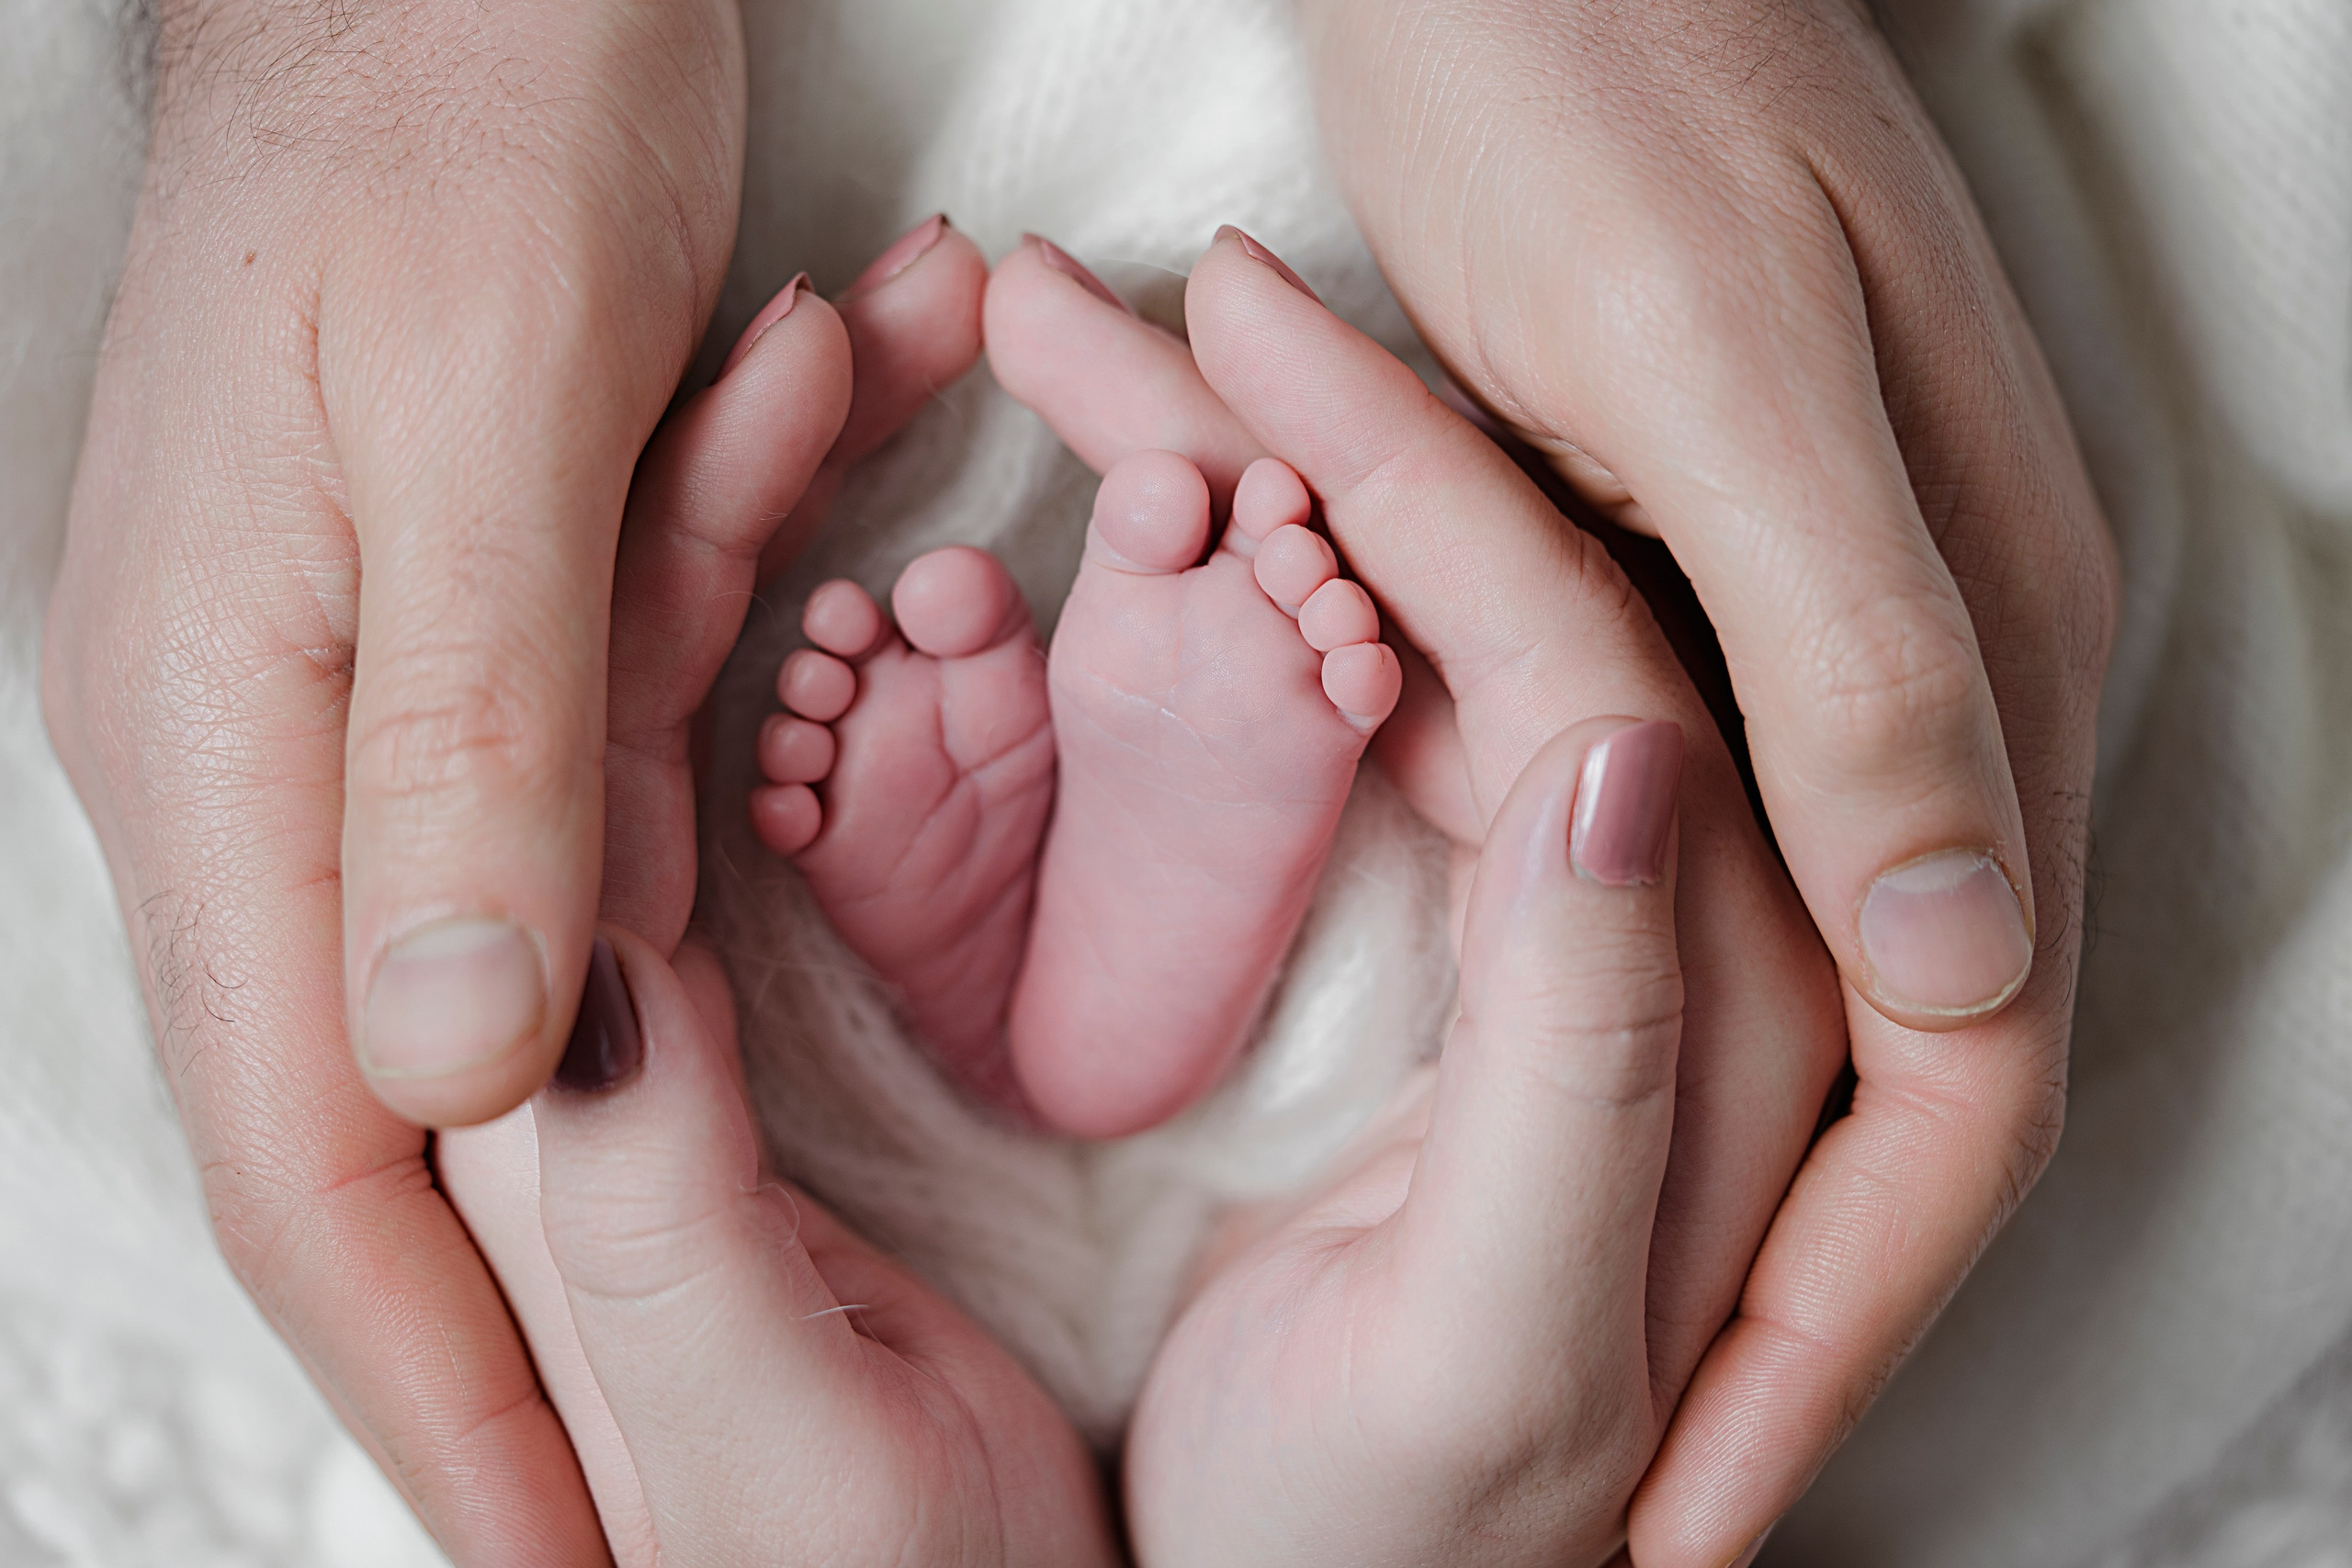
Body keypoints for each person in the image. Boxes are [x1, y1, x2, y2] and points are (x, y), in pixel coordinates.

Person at [40, 0, 2115, 1561]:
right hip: (1448, 1153)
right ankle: (1132, 1002)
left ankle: (1068, 1009)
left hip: (740, 1171)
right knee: (1678, 594)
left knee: (394, 798)